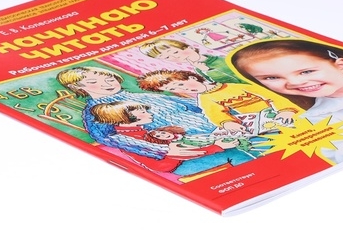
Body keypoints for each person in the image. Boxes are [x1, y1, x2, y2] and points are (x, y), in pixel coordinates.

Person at [56, 66, 217, 161]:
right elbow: (109, 137)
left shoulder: (140, 96)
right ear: (77, 87)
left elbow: (192, 104)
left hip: (218, 123)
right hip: (197, 138)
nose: (106, 84)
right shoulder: (98, 110)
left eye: (110, 79)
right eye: (93, 82)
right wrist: (161, 150)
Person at [88, 101, 254, 176]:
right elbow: (177, 154)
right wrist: (216, 146)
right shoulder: (129, 137)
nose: (149, 113)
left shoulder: (140, 131)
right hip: (176, 166)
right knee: (234, 153)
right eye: (143, 112)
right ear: (126, 118)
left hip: (181, 160)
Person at [137, 69, 298, 135]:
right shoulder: (205, 98)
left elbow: (271, 95)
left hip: (283, 111)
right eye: (174, 89)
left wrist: (286, 110)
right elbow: (214, 113)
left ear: (192, 77)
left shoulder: (232, 85)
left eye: (180, 84)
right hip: (261, 120)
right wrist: (227, 123)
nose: (185, 88)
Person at [138, 37, 243, 83]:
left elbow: (234, 81)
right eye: (167, 57)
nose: (175, 57)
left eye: (175, 52)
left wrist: (208, 71)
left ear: (190, 47)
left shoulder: (222, 59)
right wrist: (206, 72)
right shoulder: (198, 69)